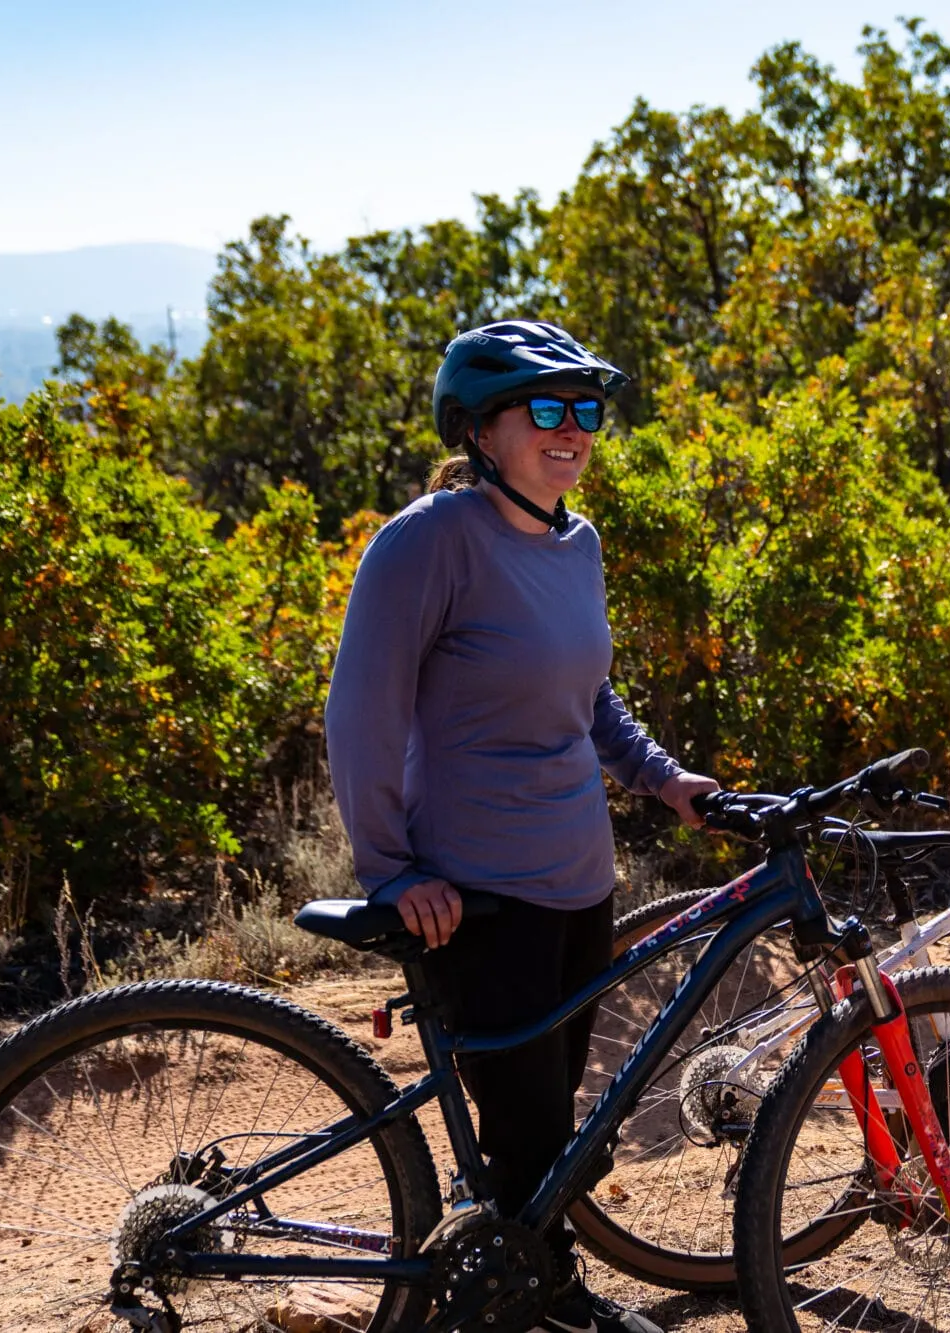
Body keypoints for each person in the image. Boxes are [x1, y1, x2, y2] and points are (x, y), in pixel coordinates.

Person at [326, 320, 715, 1333]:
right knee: (535, 1133)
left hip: (580, 885)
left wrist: (667, 780)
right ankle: (535, 1300)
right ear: (480, 429)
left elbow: (591, 701)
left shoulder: (574, 543)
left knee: (547, 1143)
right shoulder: (428, 541)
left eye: (585, 409)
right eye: (544, 407)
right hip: (477, 896)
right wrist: (391, 870)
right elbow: (359, 715)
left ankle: (518, 1278)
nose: (572, 429)